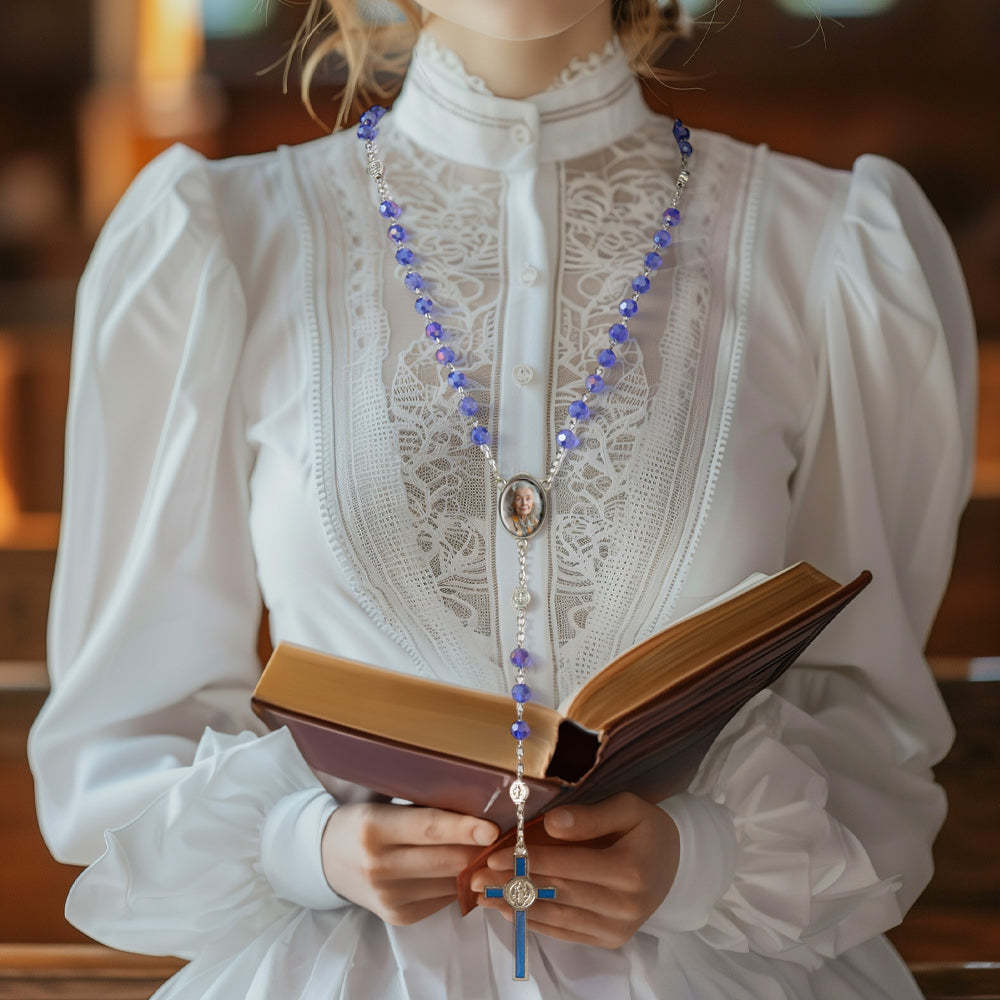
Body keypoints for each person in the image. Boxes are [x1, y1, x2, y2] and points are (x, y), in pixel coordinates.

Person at [27, 0, 977, 997]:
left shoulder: (829, 247)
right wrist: (308, 845)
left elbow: (868, 727)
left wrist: (700, 858)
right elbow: (123, 736)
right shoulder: (224, 241)